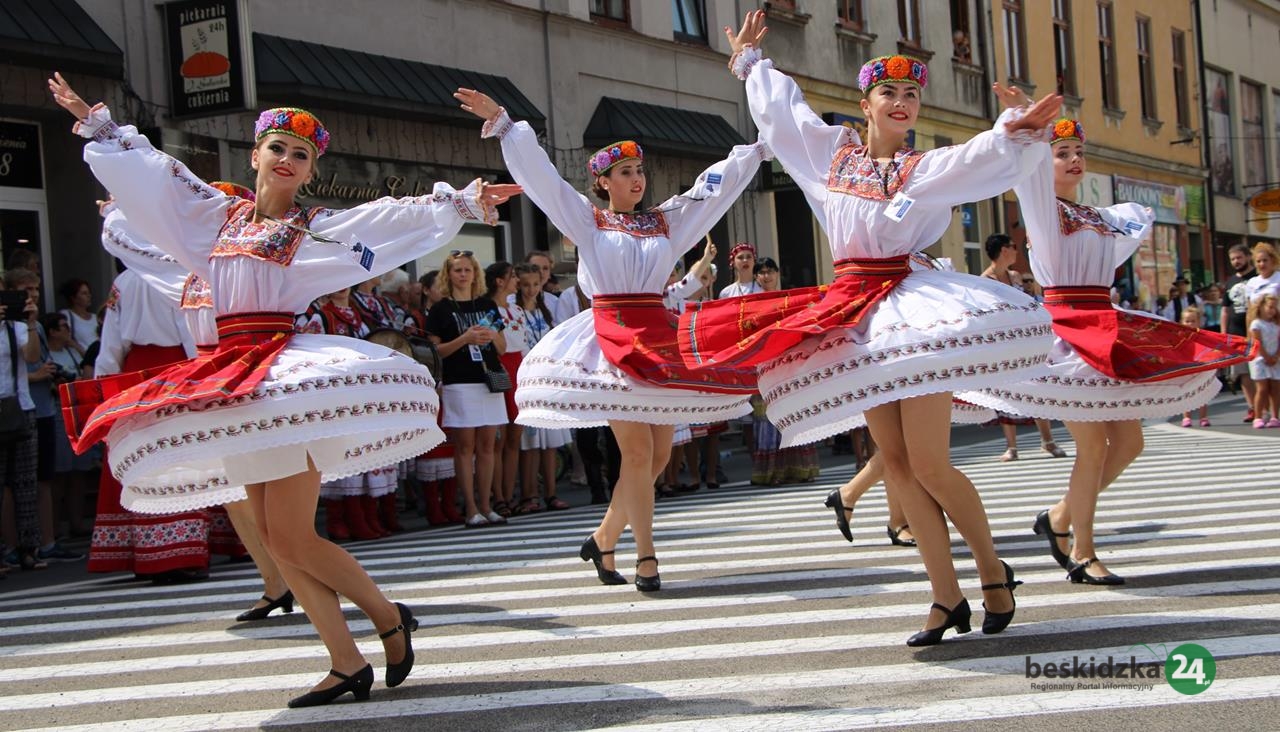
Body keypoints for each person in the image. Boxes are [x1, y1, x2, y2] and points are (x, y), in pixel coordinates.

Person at [50, 73, 519, 707]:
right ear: (255, 155)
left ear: (310, 169)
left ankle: (389, 618)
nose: (288, 160)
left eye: (301, 154)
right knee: (275, 538)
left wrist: (459, 202)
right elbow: (162, 179)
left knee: (293, 536)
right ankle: (346, 660)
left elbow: (381, 220)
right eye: (278, 148)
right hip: (230, 376)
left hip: (279, 377)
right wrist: (102, 129)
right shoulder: (215, 218)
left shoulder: (311, 227)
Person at [712, 11, 1060, 644]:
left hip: (910, 313)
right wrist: (752, 66)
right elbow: (787, 116)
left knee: (929, 463)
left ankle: (992, 570)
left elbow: (976, 159)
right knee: (895, 464)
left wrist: (1013, 130)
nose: (902, 103)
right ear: (865, 103)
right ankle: (945, 595)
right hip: (854, 312)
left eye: (911, 95)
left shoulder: (923, 168)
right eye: (889, 92)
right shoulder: (830, 155)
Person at [457, 85, 765, 592]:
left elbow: (709, 190)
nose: (637, 179)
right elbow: (546, 181)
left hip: (657, 334)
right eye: (625, 172)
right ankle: (647, 557)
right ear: (602, 182)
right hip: (613, 336)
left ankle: (602, 538)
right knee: (638, 455)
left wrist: (755, 150)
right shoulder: (588, 219)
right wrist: (508, 127)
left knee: (658, 456)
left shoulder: (665, 220)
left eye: (639, 170)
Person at [959, 116, 1254, 586]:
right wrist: (1025, 124)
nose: (1075, 159)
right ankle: (1082, 550)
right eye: (1062, 153)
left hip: (1103, 324)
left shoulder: (1102, 217)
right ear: (1043, 163)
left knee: (1131, 443)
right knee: (1093, 446)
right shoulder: (1043, 209)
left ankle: (1058, 517)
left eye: (1079, 152)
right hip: (1066, 331)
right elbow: (1028, 174)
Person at [101, 188, 294, 619]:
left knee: (251, 485)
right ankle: (278, 581)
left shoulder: (222, 269)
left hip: (224, 377)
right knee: (230, 485)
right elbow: (129, 244)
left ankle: (299, 580)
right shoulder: (178, 273)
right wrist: (119, 207)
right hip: (201, 377)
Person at [426, 251, 509, 528]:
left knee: (488, 445)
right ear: (448, 275)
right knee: (465, 446)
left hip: (488, 379)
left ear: (475, 274)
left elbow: (502, 348)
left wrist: (491, 335)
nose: (463, 275)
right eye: (457, 270)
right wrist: (465, 338)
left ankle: (486, 506)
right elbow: (434, 352)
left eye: (467, 270)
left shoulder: (487, 305)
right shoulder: (440, 309)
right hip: (459, 381)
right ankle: (471, 508)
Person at [0, 283, 45, 572]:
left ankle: (29, 548)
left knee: (26, 482)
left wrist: (30, 323)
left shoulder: (14, 327)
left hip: (20, 407)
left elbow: (31, 357)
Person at [1223, 243, 1257, 418]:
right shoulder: (1230, 281)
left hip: (1257, 332)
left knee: (1260, 373)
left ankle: (1266, 407)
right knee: (1243, 373)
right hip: (1236, 334)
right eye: (1233, 259)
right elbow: (1225, 310)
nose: (1236, 261)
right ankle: (1253, 408)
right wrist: (1223, 334)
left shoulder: (1257, 277)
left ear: (1248, 257)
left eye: (1239, 257)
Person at [1249, 293, 1280, 428]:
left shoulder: (1276, 324)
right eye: (1269, 307)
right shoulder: (1256, 324)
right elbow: (1257, 342)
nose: (1272, 310)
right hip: (1260, 360)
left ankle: (1275, 417)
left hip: (1275, 360)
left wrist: (1276, 356)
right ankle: (1258, 416)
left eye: (1274, 308)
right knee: (1262, 389)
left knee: (1275, 388)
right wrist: (1266, 357)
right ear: (1261, 307)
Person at [1180, 307, 1211, 428]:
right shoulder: (1180, 337)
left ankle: (1203, 417)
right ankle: (1186, 417)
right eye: (1187, 321)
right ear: (1182, 322)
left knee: (1203, 391)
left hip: (1201, 365)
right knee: (1186, 392)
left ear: (1199, 322)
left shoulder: (1202, 336)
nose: (1190, 324)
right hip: (1186, 366)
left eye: (1193, 321)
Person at [58, 278, 98, 354]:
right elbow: (67, 340)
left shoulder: (95, 317)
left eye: (89, 293)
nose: (89, 296)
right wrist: (85, 354)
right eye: (84, 293)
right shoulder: (66, 315)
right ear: (73, 298)